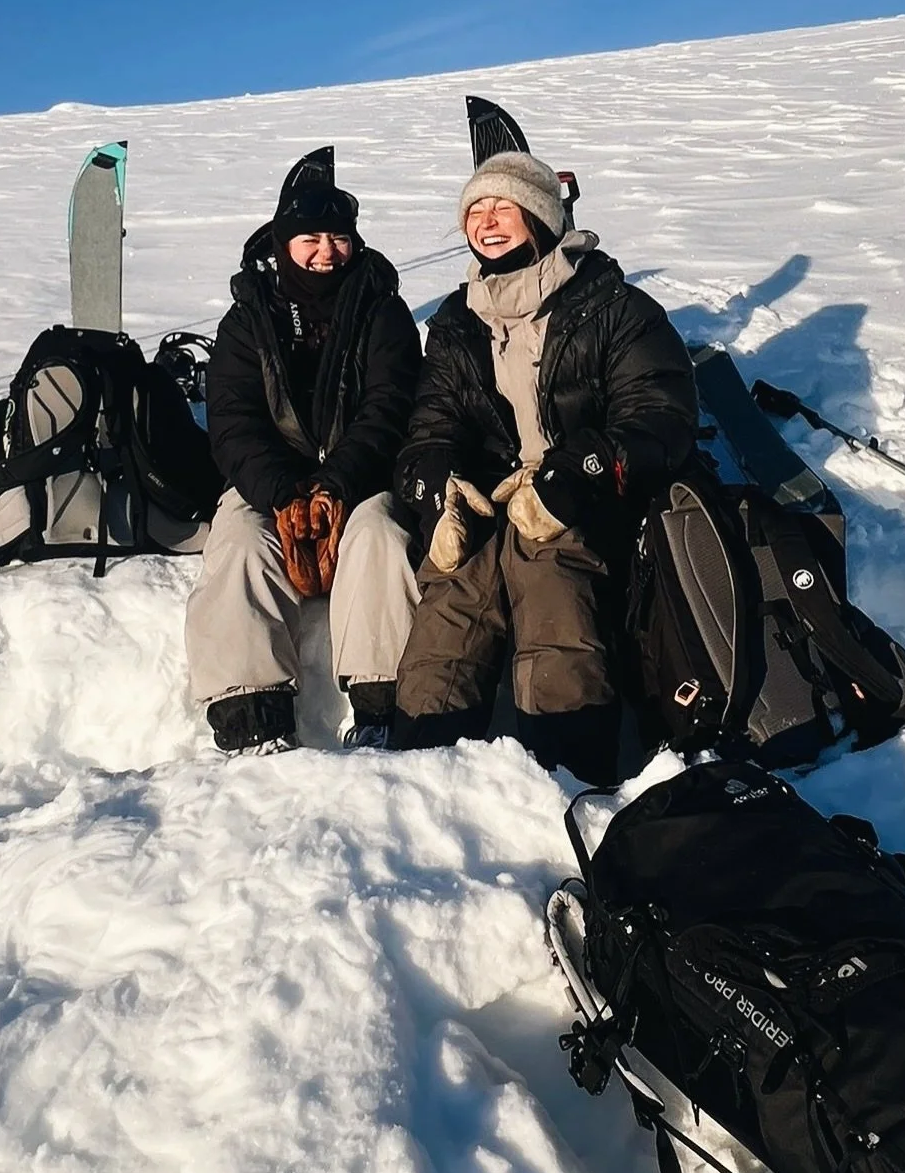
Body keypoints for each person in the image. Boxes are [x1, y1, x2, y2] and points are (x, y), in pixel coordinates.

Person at [391, 150, 698, 784]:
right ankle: (417, 779)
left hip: (584, 501)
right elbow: (431, 425)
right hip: (493, 496)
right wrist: (438, 490)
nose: (488, 220)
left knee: (550, 578)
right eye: (475, 210)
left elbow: (658, 416)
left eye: (504, 205)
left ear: (541, 216)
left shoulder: (613, 306)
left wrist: (572, 477)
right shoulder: (456, 319)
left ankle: (567, 778)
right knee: (454, 588)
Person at [185, 158, 422, 753]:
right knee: (239, 544)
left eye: (339, 238)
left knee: (381, 540)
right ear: (283, 241)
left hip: (361, 475)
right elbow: (234, 422)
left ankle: (382, 710)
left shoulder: (382, 310)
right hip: (272, 480)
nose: (326, 252)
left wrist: (338, 482)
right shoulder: (248, 319)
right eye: (310, 238)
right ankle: (252, 718)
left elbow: (390, 408)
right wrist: (285, 490)